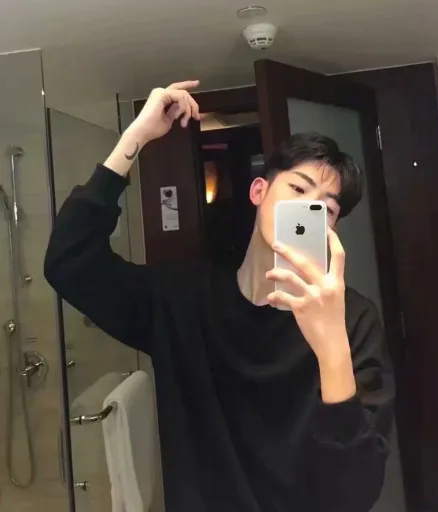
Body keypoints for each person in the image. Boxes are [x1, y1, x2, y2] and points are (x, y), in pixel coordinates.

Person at [45, 80, 394, 512]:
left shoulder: (353, 319)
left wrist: (331, 348)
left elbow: (355, 493)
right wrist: (135, 138)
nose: (308, 212)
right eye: (298, 190)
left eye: (327, 208)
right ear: (258, 192)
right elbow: (69, 263)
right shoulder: (182, 300)